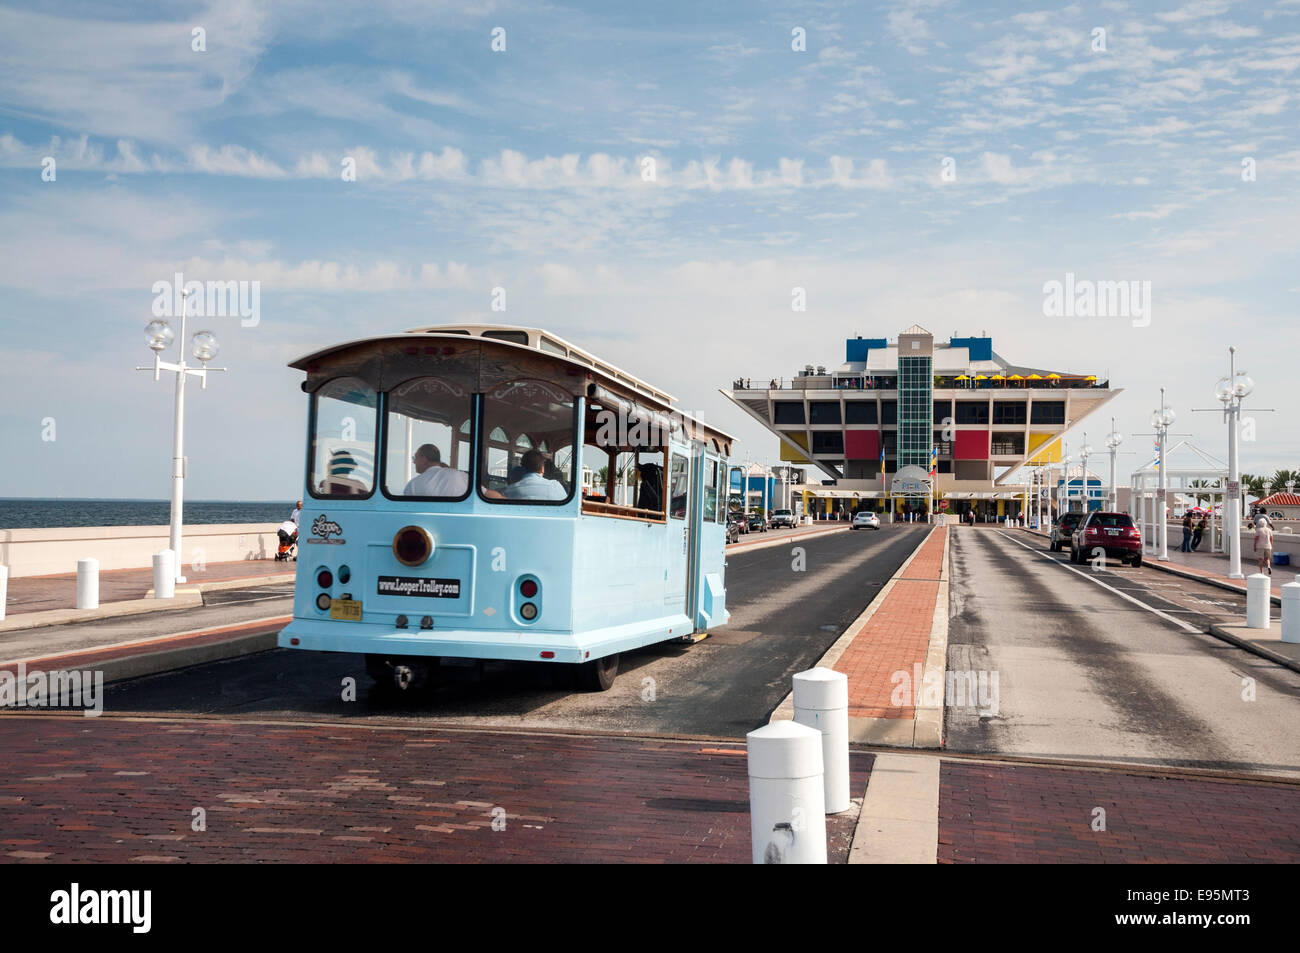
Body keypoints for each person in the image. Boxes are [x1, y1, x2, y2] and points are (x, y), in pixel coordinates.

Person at [403, 443, 469, 497]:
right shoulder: (463, 476)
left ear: (423, 459)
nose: (414, 462)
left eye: (415, 457)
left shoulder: (413, 485)